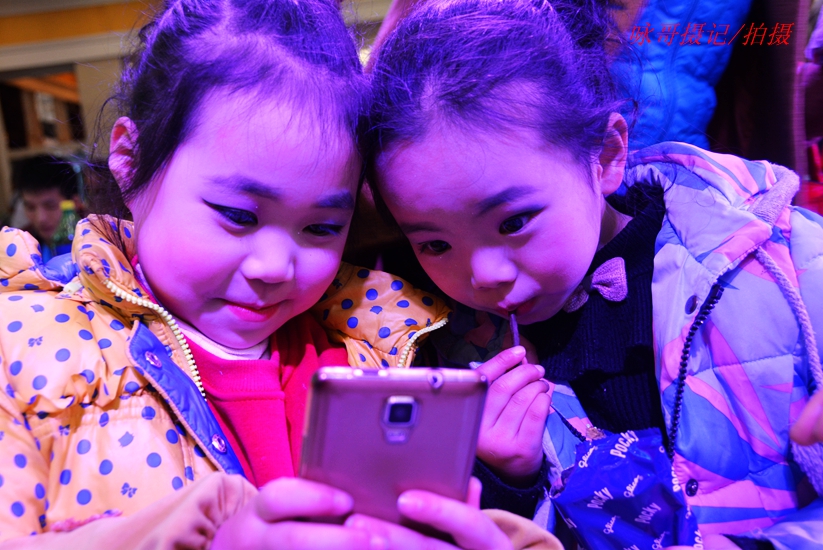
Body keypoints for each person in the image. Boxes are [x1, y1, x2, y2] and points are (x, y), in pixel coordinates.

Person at [0, 1, 558, 548]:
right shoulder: (25, 345)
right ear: (130, 158)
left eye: (320, 228)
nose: (274, 268)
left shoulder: (376, 357)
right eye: (238, 216)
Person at [364, 0, 823, 548]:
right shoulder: (445, 357)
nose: (483, 274)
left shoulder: (786, 261)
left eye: (513, 222)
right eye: (435, 244)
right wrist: (508, 482)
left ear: (606, 155)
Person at [12, 154, 84, 262]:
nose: (41, 219)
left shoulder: (96, 242)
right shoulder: (19, 246)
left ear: (75, 202)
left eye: (51, 206)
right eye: (30, 207)